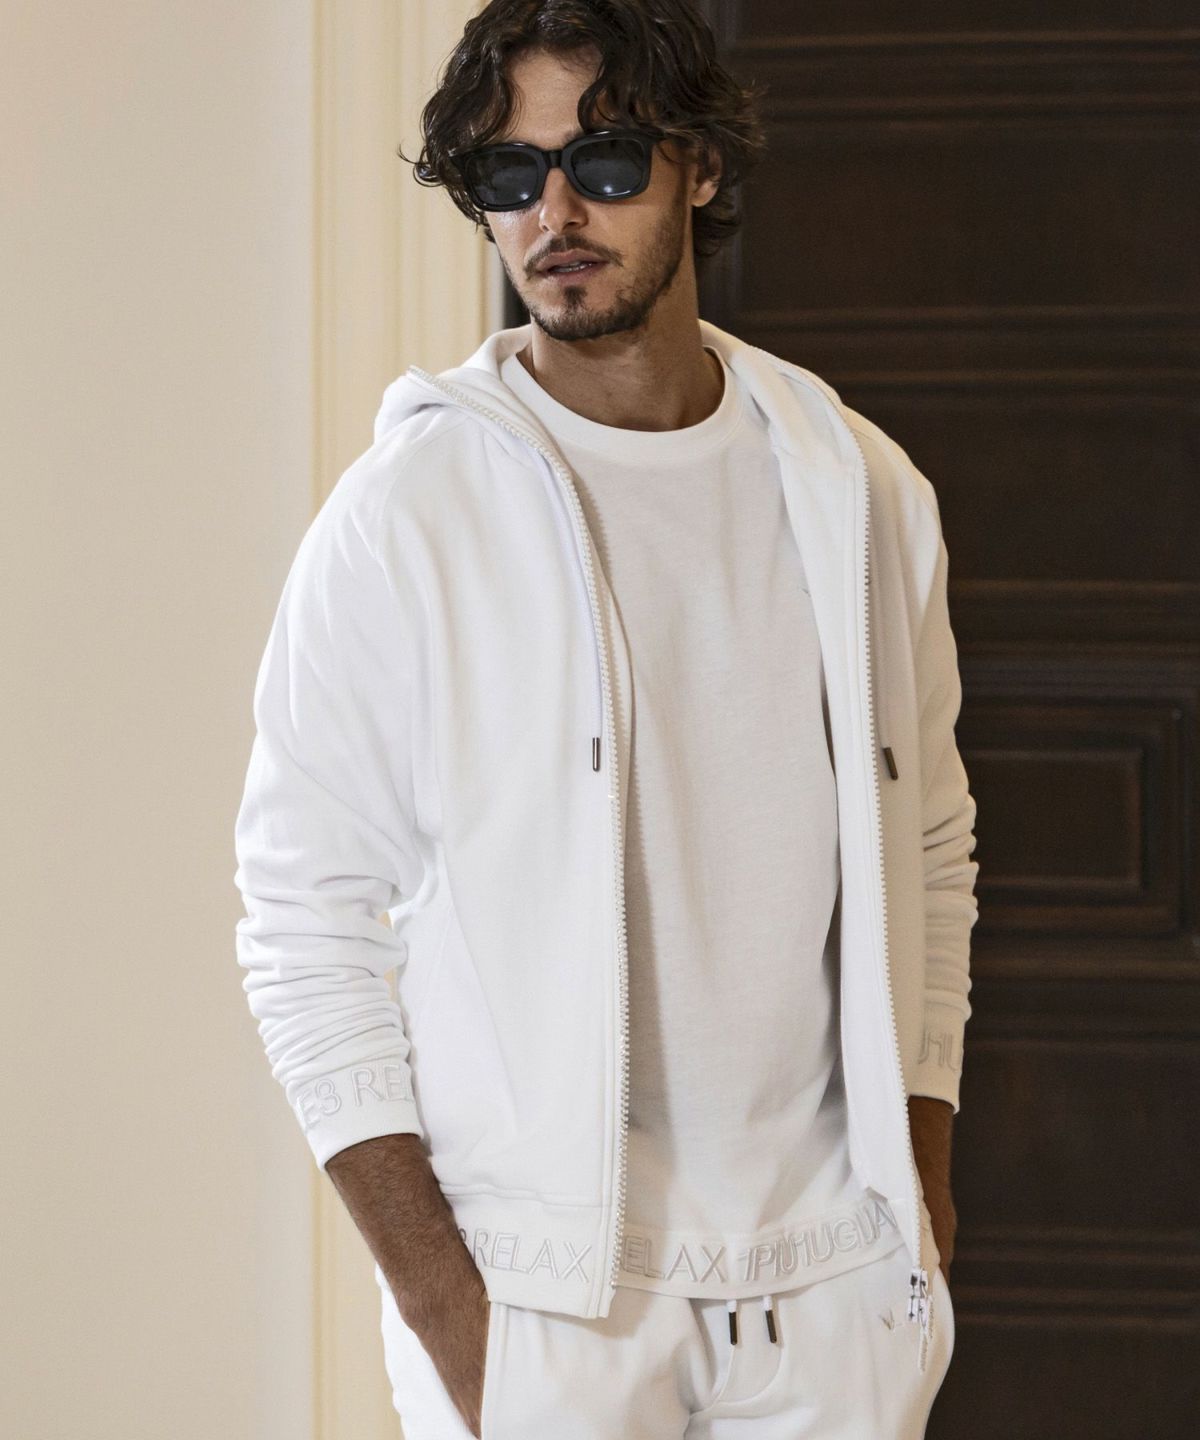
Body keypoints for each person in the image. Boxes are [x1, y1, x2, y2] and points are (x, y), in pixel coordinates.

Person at [233, 1, 980, 1435]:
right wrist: (455, 1321)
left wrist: (921, 1173)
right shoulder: (409, 514)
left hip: (832, 1292)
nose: (556, 212)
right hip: (548, 1308)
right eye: (509, 175)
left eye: (607, 160)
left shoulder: (860, 488)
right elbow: (301, 923)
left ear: (700, 166)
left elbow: (930, 845)